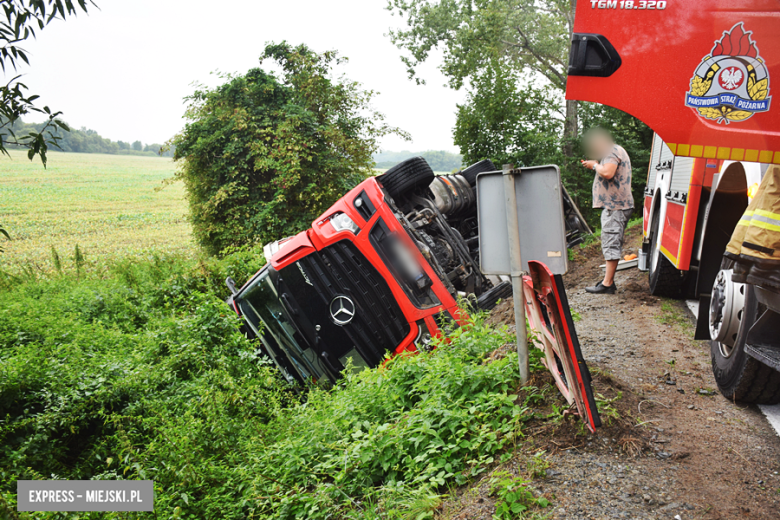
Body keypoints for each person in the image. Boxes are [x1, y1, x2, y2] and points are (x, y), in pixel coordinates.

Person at [580, 128, 634, 294]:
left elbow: (608, 173)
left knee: (611, 242)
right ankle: (607, 281)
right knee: (611, 241)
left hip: (615, 206)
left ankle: (607, 284)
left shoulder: (612, 151)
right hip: (615, 205)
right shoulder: (614, 151)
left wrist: (595, 165)